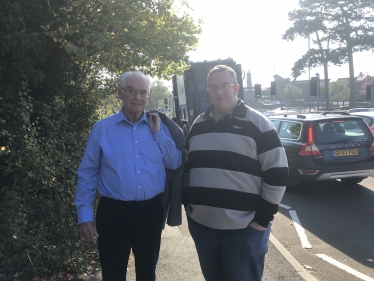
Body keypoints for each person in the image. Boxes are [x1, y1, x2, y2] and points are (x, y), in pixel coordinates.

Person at [74, 71, 183, 281]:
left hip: (150, 211)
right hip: (114, 212)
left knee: (147, 273)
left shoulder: (158, 127)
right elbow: (88, 173)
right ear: (120, 93)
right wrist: (84, 215)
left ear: (149, 97)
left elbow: (174, 162)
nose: (137, 97)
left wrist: (158, 133)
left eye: (143, 92)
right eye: (131, 91)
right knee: (112, 274)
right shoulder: (102, 129)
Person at [183, 65, 289, 281]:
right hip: (202, 228)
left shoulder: (258, 124)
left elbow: (277, 174)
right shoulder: (198, 124)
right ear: (208, 91)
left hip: (243, 231)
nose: (219, 91)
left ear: (236, 88)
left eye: (225, 85)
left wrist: (262, 220)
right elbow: (187, 167)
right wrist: (190, 208)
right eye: (213, 87)